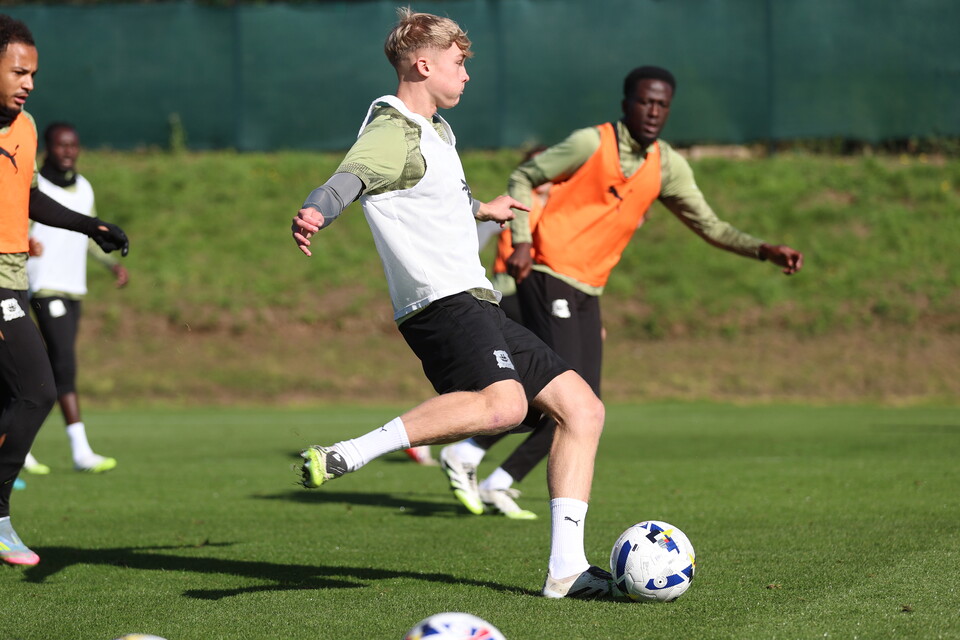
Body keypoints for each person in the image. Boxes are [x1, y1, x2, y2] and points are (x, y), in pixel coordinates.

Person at [290, 8, 610, 599]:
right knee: (504, 407)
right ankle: (352, 453)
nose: (466, 75)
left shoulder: (435, 132)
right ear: (423, 63)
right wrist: (317, 210)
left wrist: (480, 210)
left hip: (475, 299)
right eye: (460, 64)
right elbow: (349, 178)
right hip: (441, 304)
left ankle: (567, 571)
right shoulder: (395, 129)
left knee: (582, 410)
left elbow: (425, 200)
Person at [439, 65, 804, 518]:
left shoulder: (666, 164)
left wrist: (763, 249)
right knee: (577, 400)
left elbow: (709, 225)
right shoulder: (592, 142)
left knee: (584, 403)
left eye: (662, 104)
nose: (653, 111)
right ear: (626, 104)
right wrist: (525, 239)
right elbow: (523, 178)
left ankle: (488, 469)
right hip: (549, 272)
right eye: (645, 101)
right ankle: (473, 454)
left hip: (588, 289)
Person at [0, 14, 129, 566]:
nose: (28, 82)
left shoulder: (25, 128)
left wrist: (88, 225)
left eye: (34, 74)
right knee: (37, 388)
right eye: (18, 71)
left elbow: (26, 196)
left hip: (14, 276)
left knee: (18, 395)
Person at [21, 122, 128, 475]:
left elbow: (85, 235)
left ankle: (20, 445)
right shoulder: (37, 188)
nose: (68, 151)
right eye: (60, 145)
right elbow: (19, 229)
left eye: (73, 145)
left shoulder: (84, 188)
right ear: (47, 149)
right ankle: (80, 451)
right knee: (63, 365)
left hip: (73, 287)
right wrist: (26, 246)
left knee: (46, 371)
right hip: (43, 285)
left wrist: (110, 265)